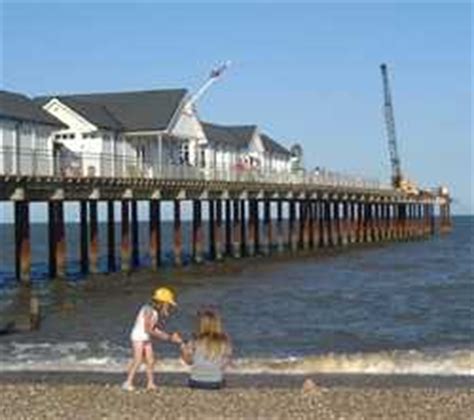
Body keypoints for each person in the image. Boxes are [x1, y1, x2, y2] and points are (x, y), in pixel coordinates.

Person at [122, 287, 183, 391]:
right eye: (167, 304)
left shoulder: (154, 311)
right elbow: (148, 329)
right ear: (162, 302)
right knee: (138, 360)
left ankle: (150, 383)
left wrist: (168, 336)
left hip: (145, 336)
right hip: (138, 336)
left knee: (151, 360)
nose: (168, 306)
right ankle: (128, 382)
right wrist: (168, 337)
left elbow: (153, 328)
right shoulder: (148, 310)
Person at [180, 308, 232, 390]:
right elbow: (225, 364)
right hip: (215, 382)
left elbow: (189, 362)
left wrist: (183, 349)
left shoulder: (195, 340)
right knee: (222, 380)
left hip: (196, 381)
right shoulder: (224, 341)